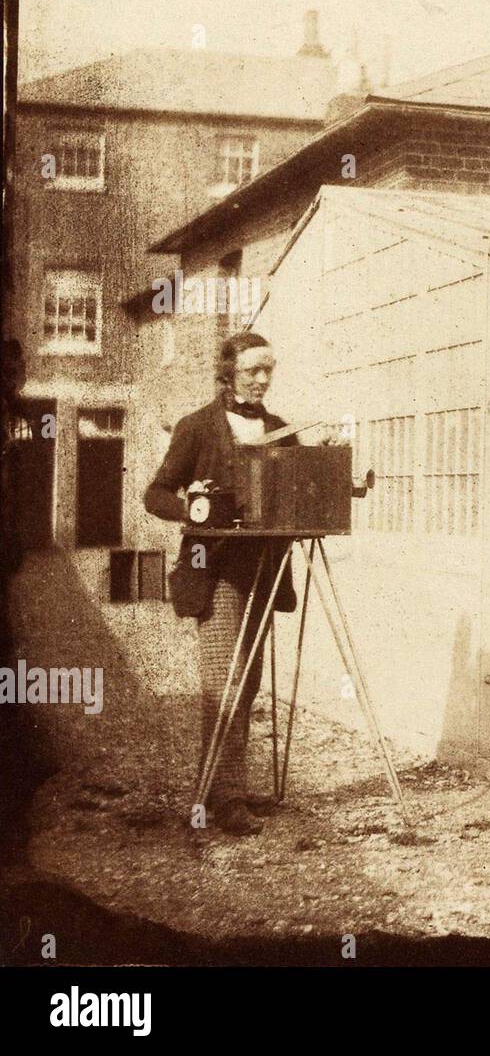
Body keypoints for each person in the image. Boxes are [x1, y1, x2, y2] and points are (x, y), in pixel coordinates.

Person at [144, 332, 298, 836]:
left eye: (268, 369)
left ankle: (221, 787)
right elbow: (155, 493)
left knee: (248, 681)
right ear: (228, 372)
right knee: (222, 682)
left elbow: (299, 489)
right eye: (253, 369)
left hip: (263, 570)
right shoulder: (196, 427)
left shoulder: (280, 430)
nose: (262, 378)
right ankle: (226, 797)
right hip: (214, 571)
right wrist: (190, 506)